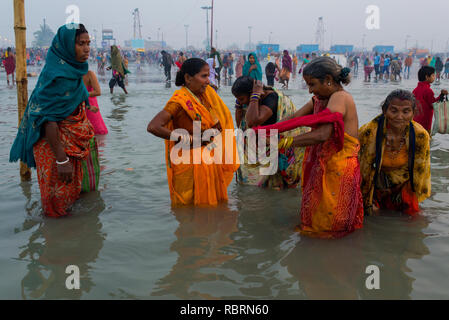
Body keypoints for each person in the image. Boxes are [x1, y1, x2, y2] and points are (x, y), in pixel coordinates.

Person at [256, 57, 364, 238]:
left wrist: (282, 142)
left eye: (312, 84)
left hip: (339, 164)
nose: (310, 90)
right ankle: (314, 241)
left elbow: (322, 134)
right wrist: (268, 131)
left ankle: (330, 252)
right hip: (321, 161)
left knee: (333, 218)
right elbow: (293, 119)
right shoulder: (318, 99)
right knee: (317, 210)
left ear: (328, 80)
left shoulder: (340, 97)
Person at [9, 24, 96, 218]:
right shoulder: (56, 77)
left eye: (88, 43)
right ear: (66, 45)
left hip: (72, 146)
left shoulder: (74, 72)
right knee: (55, 208)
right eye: (81, 43)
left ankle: (70, 242)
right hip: (54, 148)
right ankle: (55, 241)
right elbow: (48, 119)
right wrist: (61, 159)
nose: (87, 48)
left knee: (70, 202)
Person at [147, 58, 239, 206]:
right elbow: (153, 126)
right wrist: (188, 139)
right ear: (188, 78)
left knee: (211, 211)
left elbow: (216, 121)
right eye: (203, 76)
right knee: (187, 211)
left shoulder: (204, 96)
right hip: (188, 164)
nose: (208, 81)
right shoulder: (179, 101)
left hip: (208, 158)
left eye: (208, 76)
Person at [359, 90, 431, 216]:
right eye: (394, 111)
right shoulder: (368, 132)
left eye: (406, 111)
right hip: (375, 185)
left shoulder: (421, 136)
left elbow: (420, 173)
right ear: (384, 110)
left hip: (403, 186)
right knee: (371, 217)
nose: (399, 117)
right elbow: (361, 169)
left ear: (413, 113)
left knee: (413, 220)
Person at [232, 76, 308, 189]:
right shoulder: (248, 102)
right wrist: (239, 106)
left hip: (277, 143)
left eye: (241, 99)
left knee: (277, 184)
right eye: (238, 99)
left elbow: (253, 121)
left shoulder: (271, 98)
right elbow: (241, 125)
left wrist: (254, 97)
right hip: (262, 144)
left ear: (252, 93)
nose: (241, 102)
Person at [412, 66, 448, 132]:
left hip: (415, 122)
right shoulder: (428, 90)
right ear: (427, 77)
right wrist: (442, 95)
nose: (434, 77)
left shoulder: (415, 90)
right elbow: (433, 104)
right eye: (433, 75)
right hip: (425, 122)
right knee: (426, 139)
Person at [83, 70, 108, 135]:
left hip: (90, 106)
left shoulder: (89, 73)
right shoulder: (70, 74)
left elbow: (97, 92)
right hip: (81, 107)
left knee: (96, 133)